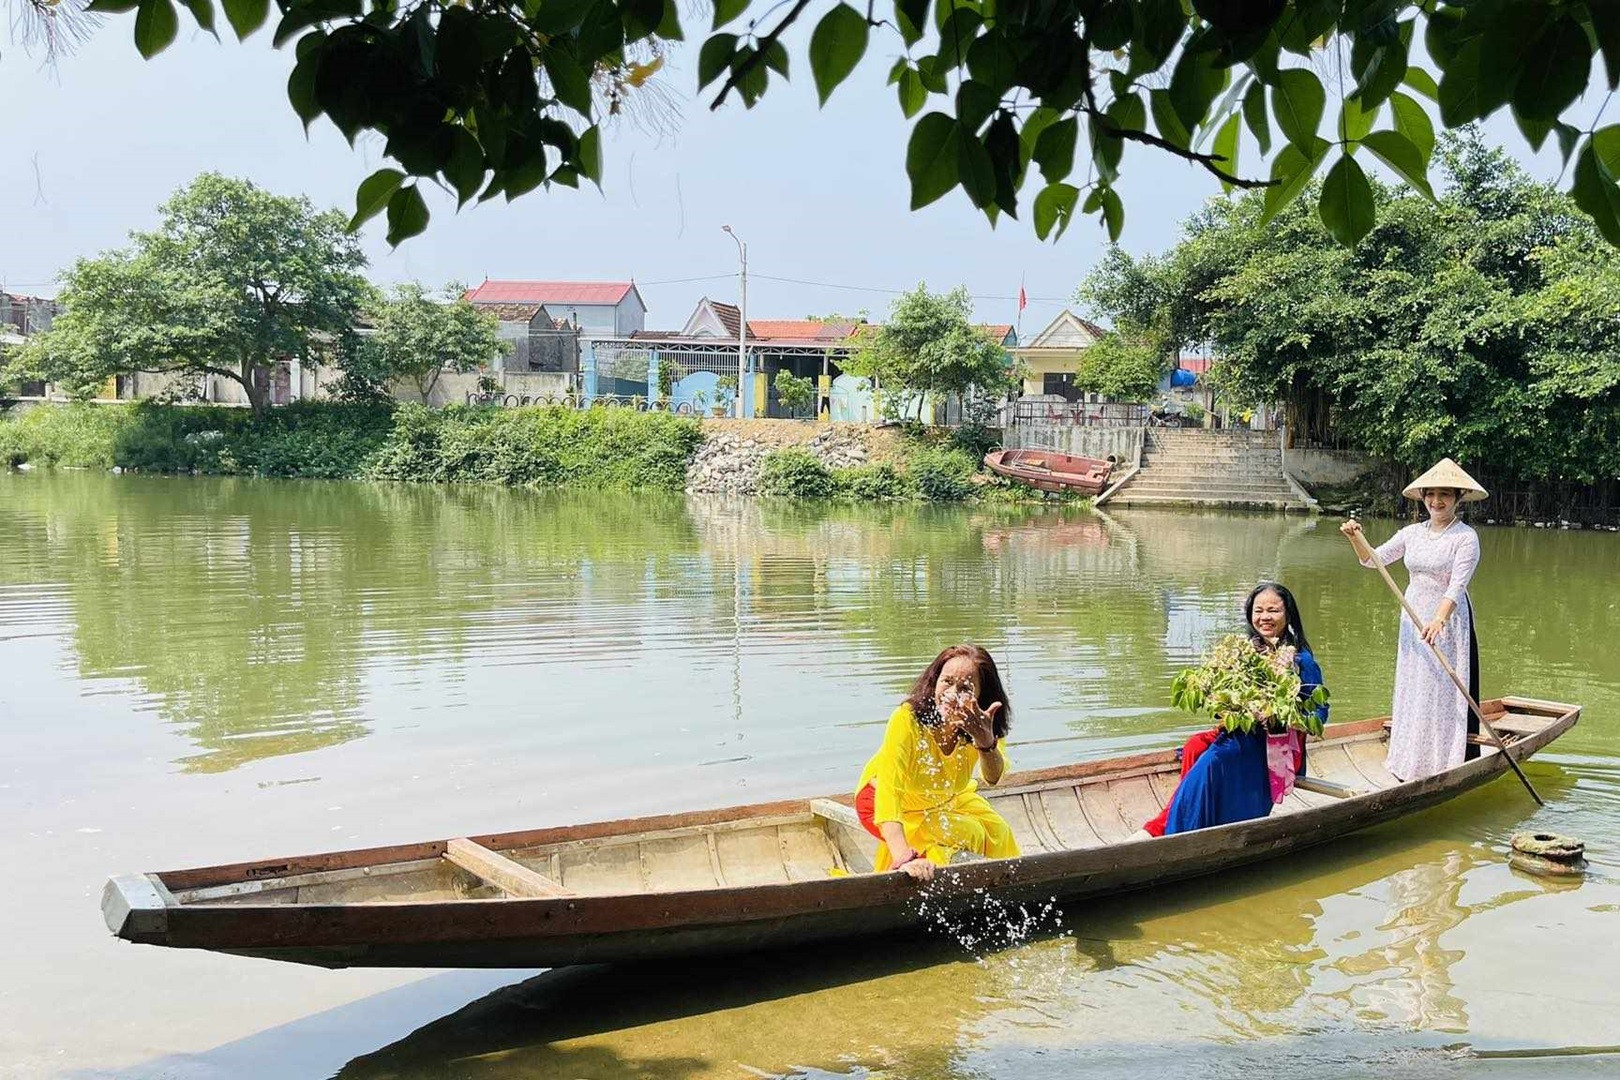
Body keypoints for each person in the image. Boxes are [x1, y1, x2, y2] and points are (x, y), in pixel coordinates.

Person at [1140, 582, 1328, 837]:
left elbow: (1319, 714)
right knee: (1194, 745)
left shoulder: (1299, 660)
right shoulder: (1244, 653)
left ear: (1288, 615)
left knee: (1215, 760)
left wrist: (1281, 716)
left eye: (1273, 610)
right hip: (1245, 733)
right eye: (1258, 610)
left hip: (1277, 744)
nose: (1265, 617)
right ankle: (1186, 823)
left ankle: (1181, 831)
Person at [1341, 458, 1486, 782]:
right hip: (1412, 617)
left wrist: (1439, 621)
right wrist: (1355, 536)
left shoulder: (1465, 537)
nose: (1437, 501)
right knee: (1414, 686)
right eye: (1431, 494)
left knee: (1440, 689)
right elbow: (1372, 561)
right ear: (1422, 497)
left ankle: (1441, 761)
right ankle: (1410, 759)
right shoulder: (1412, 533)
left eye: (1445, 495)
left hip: (1446, 623)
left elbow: (1457, 585)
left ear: (1458, 498)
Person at [854, 645, 1020, 881]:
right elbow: (889, 792)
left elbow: (992, 778)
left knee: (999, 831)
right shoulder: (907, 719)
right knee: (964, 834)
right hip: (882, 802)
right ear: (934, 683)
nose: (951, 694)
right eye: (946, 682)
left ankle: (1007, 888)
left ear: (982, 695)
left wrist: (985, 742)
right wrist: (904, 857)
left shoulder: (983, 722)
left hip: (945, 798)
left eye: (965, 688)